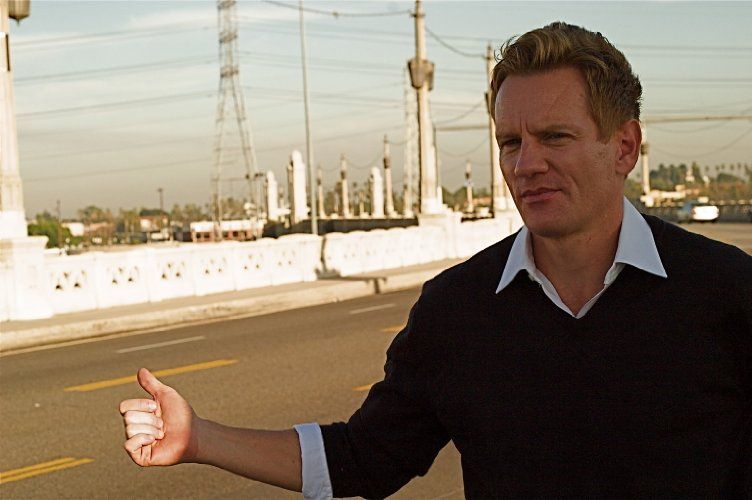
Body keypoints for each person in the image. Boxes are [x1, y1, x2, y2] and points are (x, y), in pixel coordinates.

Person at [119, 22, 752, 498]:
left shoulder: (727, 292)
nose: (526, 163)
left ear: (625, 147)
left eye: (555, 137)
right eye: (510, 142)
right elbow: (363, 457)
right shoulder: (457, 310)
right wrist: (199, 438)